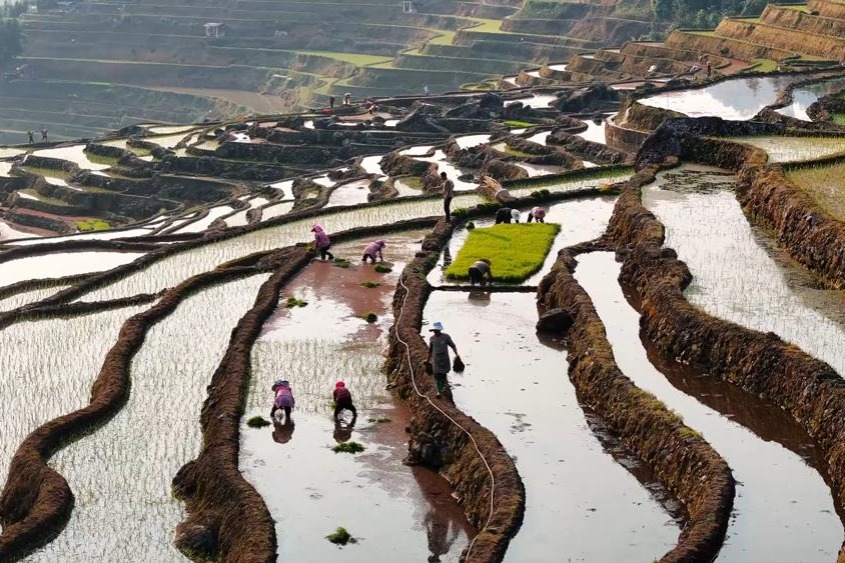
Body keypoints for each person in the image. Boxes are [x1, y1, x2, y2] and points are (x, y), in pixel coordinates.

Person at [427, 321, 460, 398]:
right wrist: (427, 360)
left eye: (437, 331)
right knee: (436, 374)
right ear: (433, 331)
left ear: (440, 330)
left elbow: (453, 346)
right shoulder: (432, 339)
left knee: (443, 374)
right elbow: (430, 350)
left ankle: (442, 387)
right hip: (436, 360)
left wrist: (456, 355)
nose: (436, 332)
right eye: (434, 331)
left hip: (444, 359)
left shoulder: (446, 337)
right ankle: (439, 391)